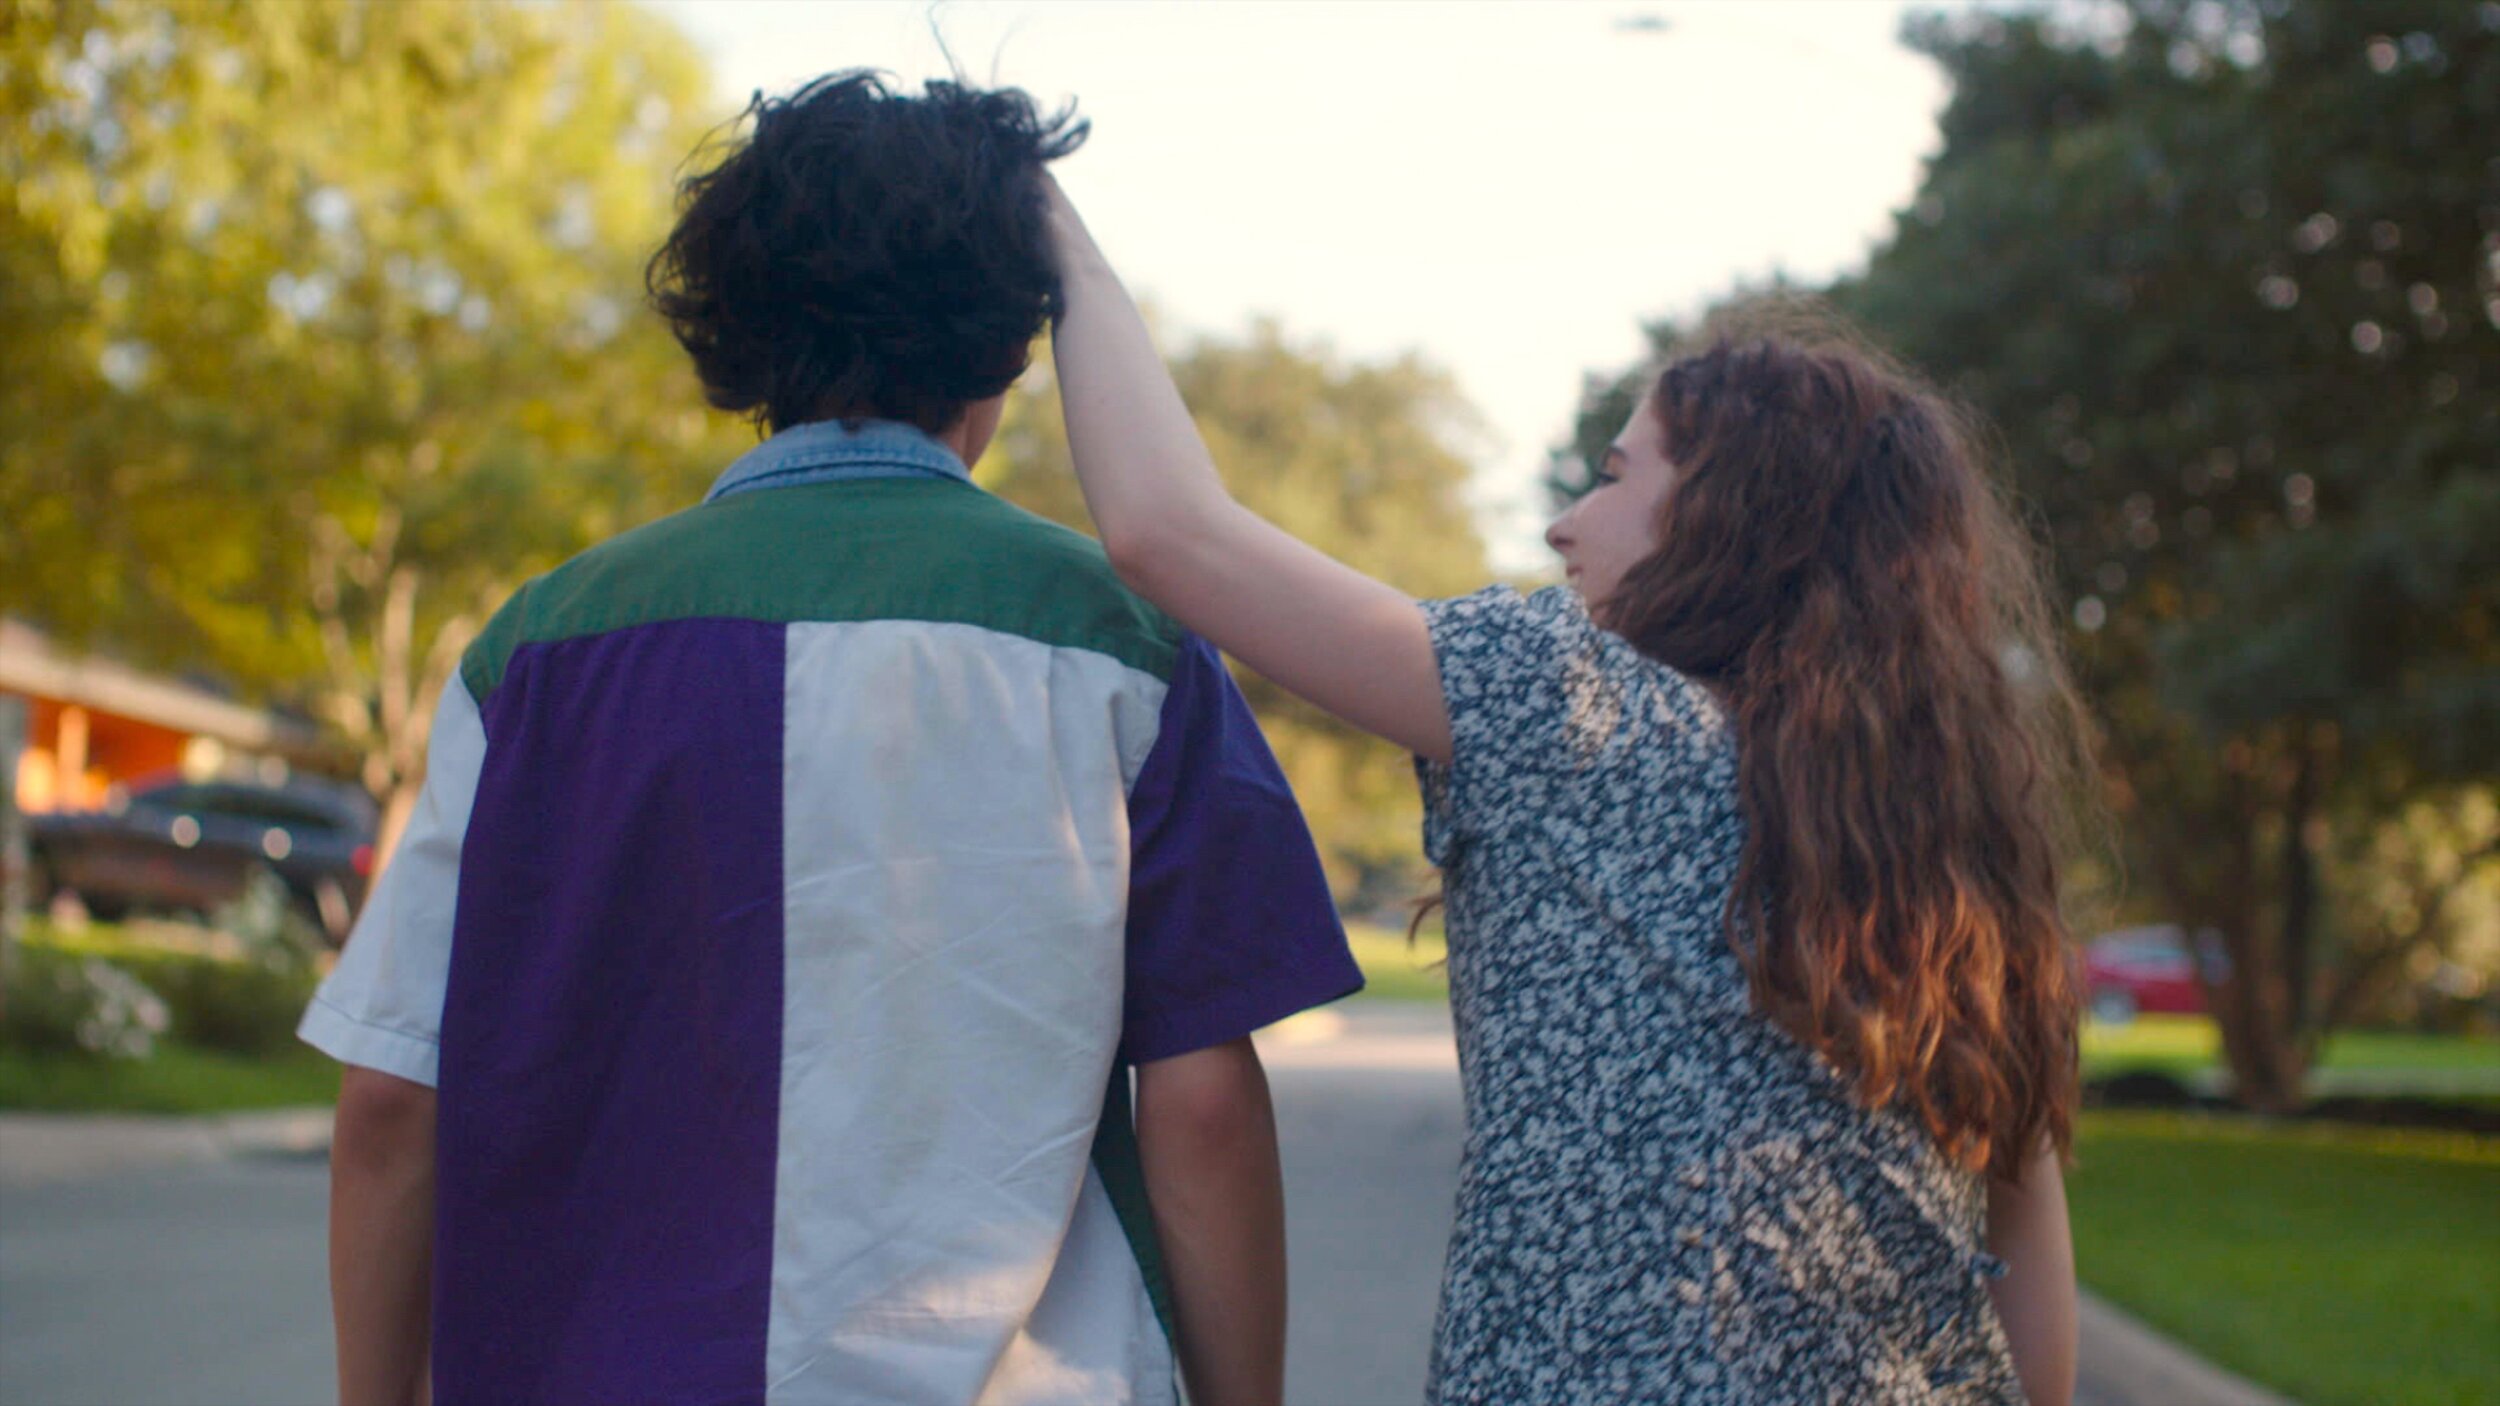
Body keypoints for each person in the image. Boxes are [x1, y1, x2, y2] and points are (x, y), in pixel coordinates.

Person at [298, 74, 1360, 1406]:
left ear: (727, 324)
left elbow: (393, 1102)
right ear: (1010, 347)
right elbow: (1201, 1107)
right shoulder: (1128, 647)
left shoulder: (537, 652)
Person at [1045, 180, 2088, 1405]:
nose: (1559, 524)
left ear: (1731, 512)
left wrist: (1052, 224)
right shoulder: (1942, 833)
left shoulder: (1574, 704)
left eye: (1610, 475)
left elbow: (1171, 534)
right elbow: (2019, 1210)